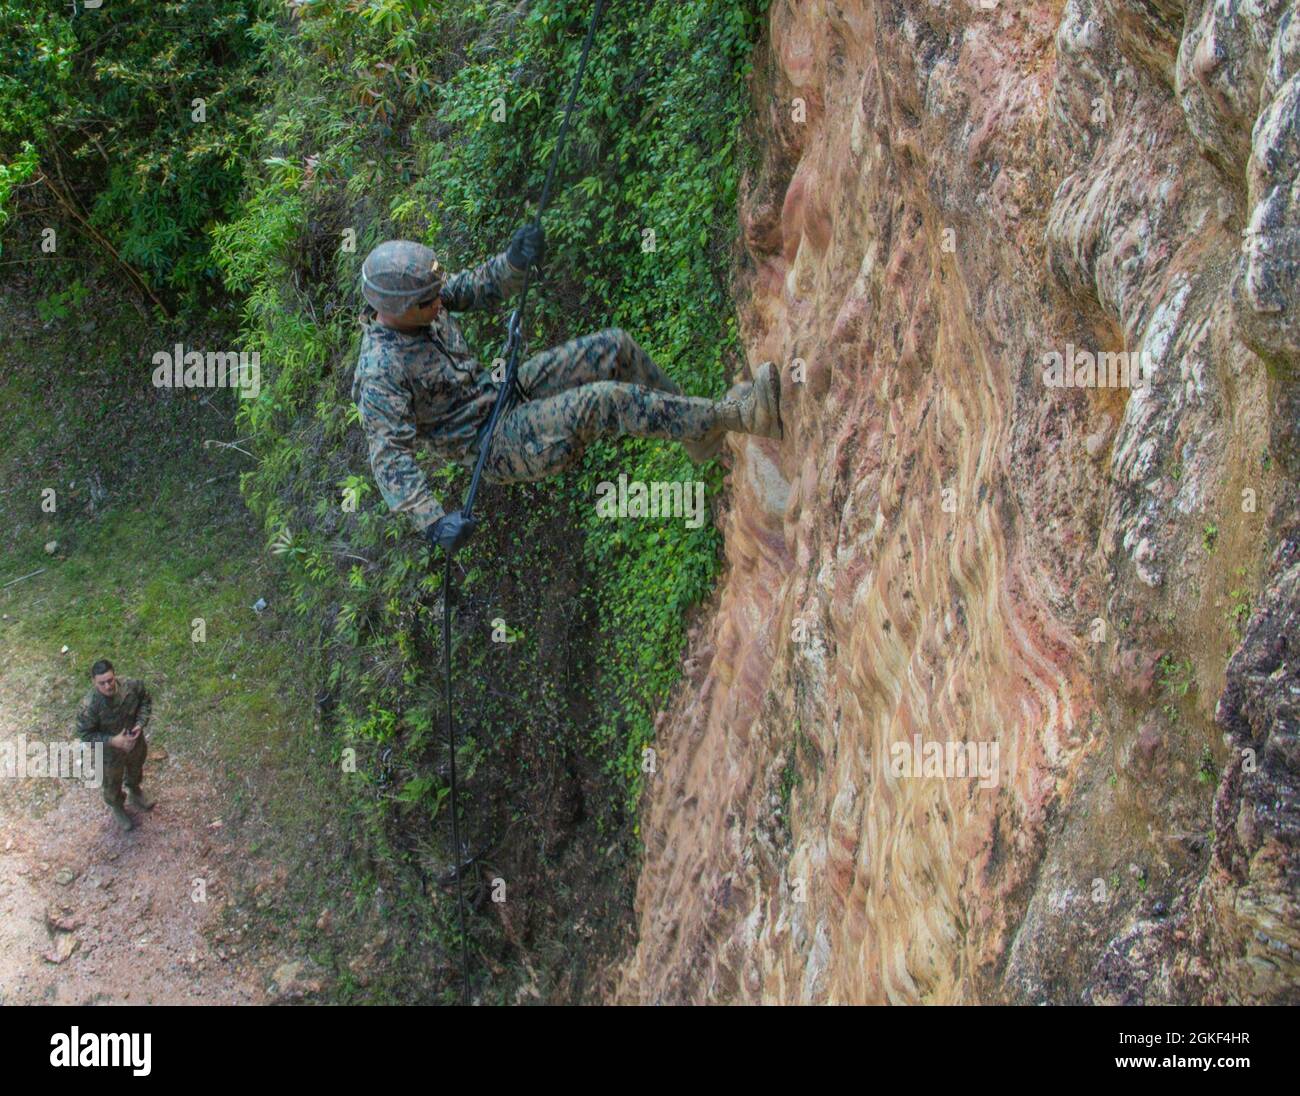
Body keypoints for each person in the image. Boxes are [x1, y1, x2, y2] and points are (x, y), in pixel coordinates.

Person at [351, 225, 782, 553]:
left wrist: (515, 261)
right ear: (397, 309)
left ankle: (697, 429)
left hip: (504, 390)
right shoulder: (380, 371)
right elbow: (388, 454)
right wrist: (432, 522)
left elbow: (476, 287)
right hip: (494, 443)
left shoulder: (426, 297)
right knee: (604, 401)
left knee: (613, 347)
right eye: (429, 303)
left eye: (436, 294)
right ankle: (738, 415)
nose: (439, 303)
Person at [74, 659, 155, 832]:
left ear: (114, 675)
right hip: (109, 754)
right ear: (94, 682)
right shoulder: (89, 707)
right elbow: (85, 735)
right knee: (111, 783)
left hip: (134, 743)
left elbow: (145, 702)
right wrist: (112, 741)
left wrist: (140, 724)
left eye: (110, 680)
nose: (108, 686)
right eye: (102, 683)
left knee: (136, 768)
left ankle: (135, 791)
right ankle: (117, 806)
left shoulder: (132, 687)